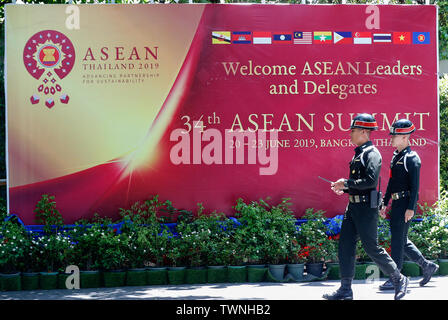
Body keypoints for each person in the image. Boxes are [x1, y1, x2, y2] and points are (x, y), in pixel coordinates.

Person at [322, 113, 409, 300]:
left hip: (366, 210)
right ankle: (346, 289)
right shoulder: (360, 154)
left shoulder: (372, 154)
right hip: (353, 208)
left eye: (353, 131)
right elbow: (358, 184)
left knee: (372, 248)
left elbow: (370, 181)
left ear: (363, 132)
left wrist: (346, 182)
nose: (350, 134)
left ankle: (399, 279)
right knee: (345, 246)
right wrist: (344, 188)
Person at [378, 119, 439, 291]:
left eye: (395, 135)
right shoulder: (397, 156)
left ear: (405, 137)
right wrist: (384, 203)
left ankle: (396, 278)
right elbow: (391, 183)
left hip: (405, 203)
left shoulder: (412, 158)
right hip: (397, 203)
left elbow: (415, 186)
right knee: (401, 240)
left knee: (397, 242)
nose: (391, 138)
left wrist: (411, 208)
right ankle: (427, 266)